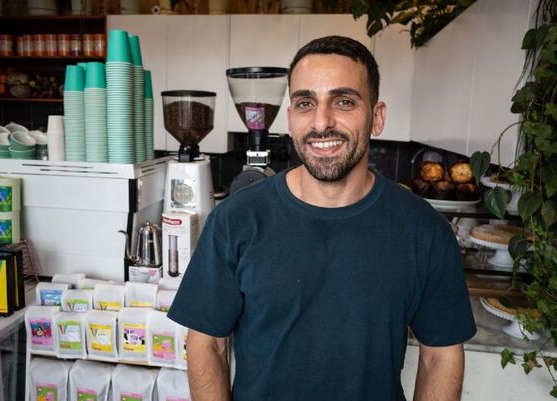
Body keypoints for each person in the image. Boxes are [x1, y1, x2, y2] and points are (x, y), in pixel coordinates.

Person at [167, 35, 476, 401]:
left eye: (343, 101)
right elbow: (207, 344)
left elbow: (440, 357)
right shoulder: (235, 221)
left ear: (377, 118)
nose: (321, 121)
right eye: (305, 103)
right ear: (290, 119)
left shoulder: (423, 230)